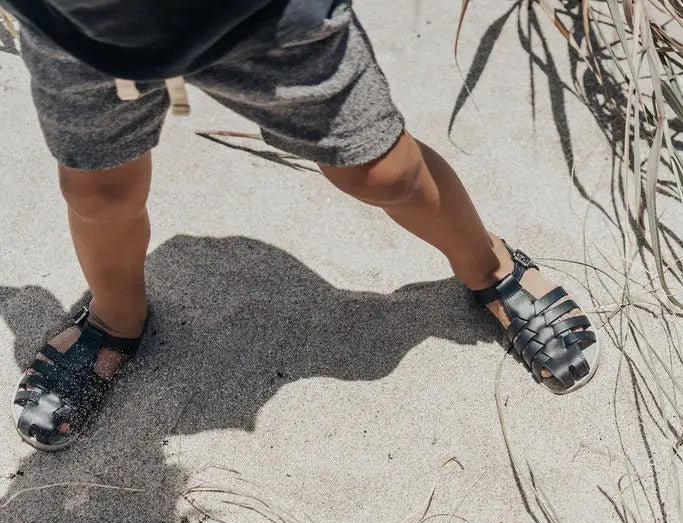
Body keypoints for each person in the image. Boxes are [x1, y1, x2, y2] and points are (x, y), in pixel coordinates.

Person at [2, 0, 599, 451]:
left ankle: (491, 266)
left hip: (269, 17)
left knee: (380, 169)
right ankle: (115, 313)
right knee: (99, 190)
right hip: (78, 31)